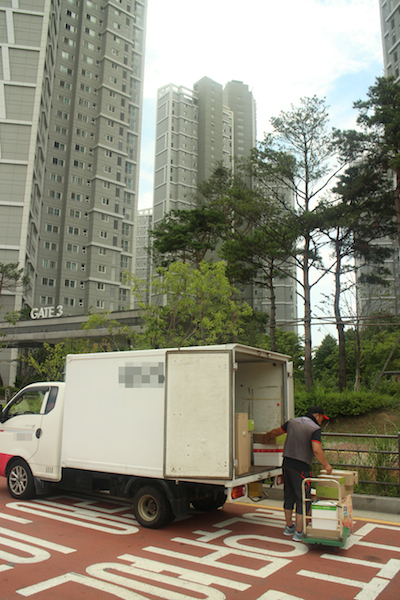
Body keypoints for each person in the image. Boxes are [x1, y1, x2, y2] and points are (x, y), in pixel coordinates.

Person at [264, 405, 332, 542]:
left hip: (286, 464)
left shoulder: (292, 422)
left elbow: (277, 432)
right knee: (302, 498)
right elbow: (317, 450)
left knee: (288, 495)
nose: (321, 422)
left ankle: (289, 526)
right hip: (301, 467)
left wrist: (266, 437)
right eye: (322, 419)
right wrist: (326, 465)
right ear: (317, 415)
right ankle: (299, 532)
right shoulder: (315, 429)